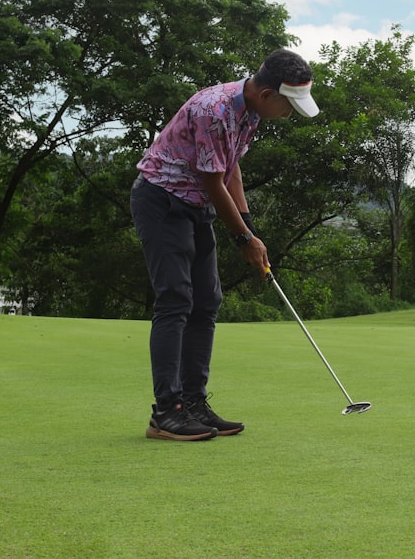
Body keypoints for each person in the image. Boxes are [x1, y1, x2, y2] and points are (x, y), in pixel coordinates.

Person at [130, 48, 320, 441]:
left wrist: (248, 228)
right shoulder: (215, 110)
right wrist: (243, 238)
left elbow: (230, 169)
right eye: (289, 106)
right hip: (162, 200)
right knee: (175, 300)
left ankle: (193, 404)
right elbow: (212, 181)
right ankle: (166, 412)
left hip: (195, 205)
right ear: (268, 94)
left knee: (207, 302)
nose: (290, 114)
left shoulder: (249, 113)